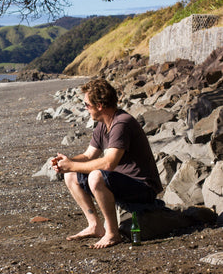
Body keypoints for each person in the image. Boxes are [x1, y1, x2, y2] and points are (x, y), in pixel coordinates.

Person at [51, 79, 162, 249]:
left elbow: (109, 163)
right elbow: (89, 155)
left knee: (96, 176)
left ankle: (112, 233)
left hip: (143, 187)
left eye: (87, 105)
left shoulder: (121, 123)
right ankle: (95, 226)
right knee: (71, 175)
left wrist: (72, 165)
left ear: (100, 105)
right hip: (121, 182)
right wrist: (67, 162)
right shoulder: (103, 126)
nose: (86, 108)